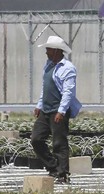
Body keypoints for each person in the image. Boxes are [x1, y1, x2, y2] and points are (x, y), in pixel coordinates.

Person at [31, 36, 82, 184]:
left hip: (57, 111)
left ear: (57, 51)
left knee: (59, 143)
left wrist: (61, 111)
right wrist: (39, 105)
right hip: (46, 110)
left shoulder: (67, 68)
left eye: (49, 49)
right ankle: (53, 166)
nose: (46, 52)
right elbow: (45, 88)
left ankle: (63, 174)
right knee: (36, 139)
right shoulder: (48, 65)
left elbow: (68, 92)